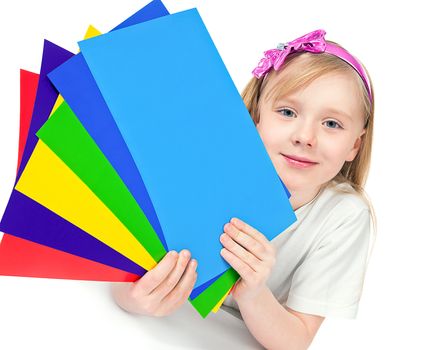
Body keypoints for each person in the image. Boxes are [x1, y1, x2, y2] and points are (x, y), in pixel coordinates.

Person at [111, 29, 376, 350]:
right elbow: (119, 267)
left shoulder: (345, 216)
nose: (305, 136)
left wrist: (253, 290)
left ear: (355, 145)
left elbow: (295, 342)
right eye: (288, 112)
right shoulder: (203, 162)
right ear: (255, 116)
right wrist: (133, 299)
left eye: (332, 124)